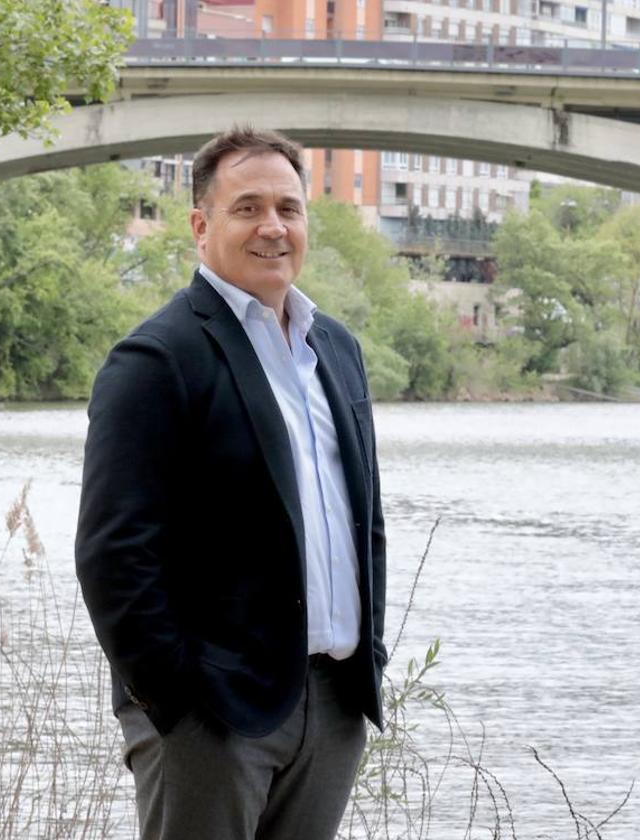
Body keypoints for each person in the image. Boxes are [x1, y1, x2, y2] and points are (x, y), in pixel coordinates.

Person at [75, 126, 388, 840]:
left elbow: (363, 521)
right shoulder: (157, 358)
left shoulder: (334, 348)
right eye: (247, 208)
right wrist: (176, 706)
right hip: (213, 716)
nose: (272, 227)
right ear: (200, 223)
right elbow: (113, 551)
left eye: (288, 207)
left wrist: (368, 659)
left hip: (333, 706)